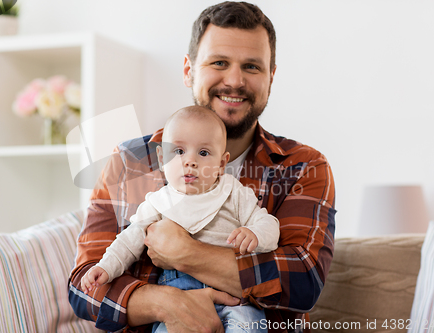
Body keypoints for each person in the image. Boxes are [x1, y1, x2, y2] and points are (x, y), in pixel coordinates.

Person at [69, 2, 336, 333]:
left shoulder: (302, 167)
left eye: (252, 66)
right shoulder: (129, 161)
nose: (235, 80)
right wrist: (169, 304)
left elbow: (303, 283)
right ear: (188, 70)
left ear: (271, 77)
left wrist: (185, 252)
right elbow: (84, 288)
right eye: (219, 62)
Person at [80, 106, 280, 332]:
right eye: (178, 151)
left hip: (235, 299)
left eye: (203, 153)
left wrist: (255, 234)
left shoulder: (234, 193)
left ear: (222, 164)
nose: (190, 161)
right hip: (178, 295)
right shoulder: (158, 202)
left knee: (249, 327)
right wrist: (106, 267)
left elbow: (269, 225)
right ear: (161, 157)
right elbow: (129, 241)